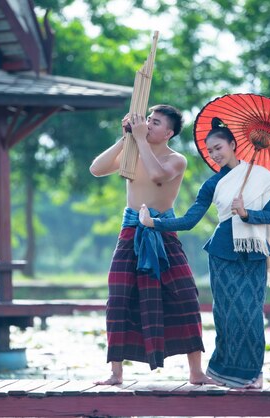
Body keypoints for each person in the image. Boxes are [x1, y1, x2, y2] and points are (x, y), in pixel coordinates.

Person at [139, 117, 270, 389]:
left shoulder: (262, 178)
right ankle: (225, 372)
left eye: (218, 147)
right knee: (225, 315)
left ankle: (254, 374)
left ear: (233, 144)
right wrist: (154, 224)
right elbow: (189, 220)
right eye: (210, 150)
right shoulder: (212, 184)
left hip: (254, 255)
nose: (214, 154)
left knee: (250, 313)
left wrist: (247, 213)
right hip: (222, 254)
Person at [89, 104, 214, 386]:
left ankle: (196, 372)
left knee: (184, 295)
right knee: (119, 297)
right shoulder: (132, 151)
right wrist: (126, 138)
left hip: (163, 229)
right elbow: (96, 169)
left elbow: (158, 175)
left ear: (168, 132)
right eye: (148, 120)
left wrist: (141, 140)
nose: (147, 124)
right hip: (131, 228)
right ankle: (115, 373)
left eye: (155, 123)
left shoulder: (176, 159)